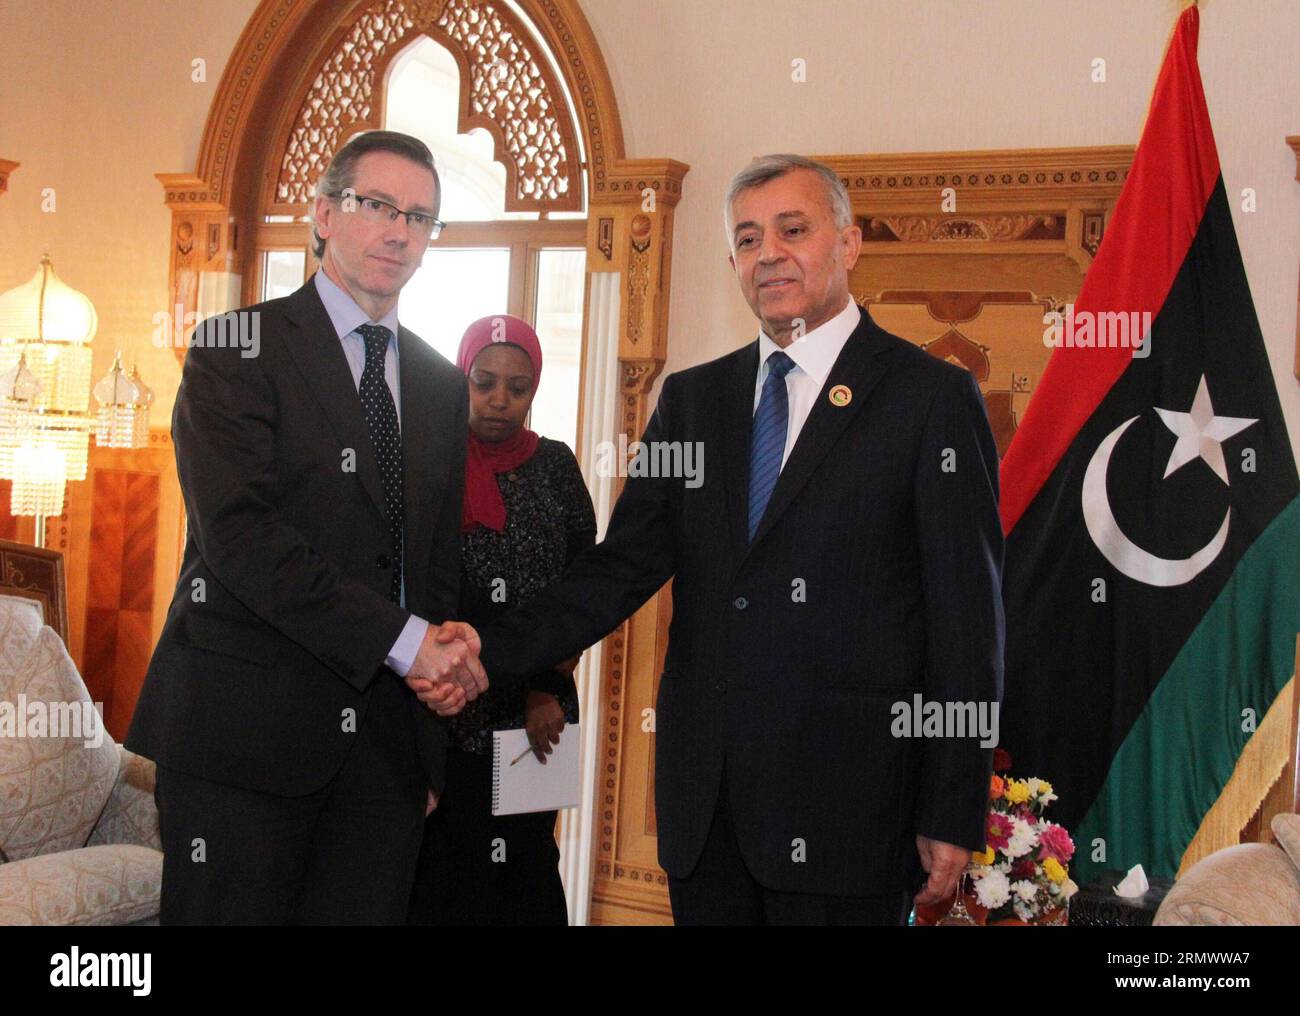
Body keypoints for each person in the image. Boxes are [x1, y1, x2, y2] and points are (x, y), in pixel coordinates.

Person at [413, 154, 1004, 926]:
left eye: (793, 230)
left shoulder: (929, 398)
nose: (770, 254)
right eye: (749, 239)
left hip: (851, 810)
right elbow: (617, 570)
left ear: (848, 243)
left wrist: (952, 805)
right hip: (707, 813)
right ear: (733, 262)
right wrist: (484, 653)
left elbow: (968, 620)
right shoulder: (693, 402)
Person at [126, 130, 485, 925]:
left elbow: (430, 563)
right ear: (324, 215)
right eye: (377, 205)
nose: (399, 231)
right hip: (242, 740)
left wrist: (440, 678)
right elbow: (242, 539)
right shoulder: (236, 349)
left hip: (385, 758)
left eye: (420, 217)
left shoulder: (439, 383)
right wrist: (407, 642)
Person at [408, 315, 596, 926]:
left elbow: (581, 593)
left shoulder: (557, 466)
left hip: (535, 710)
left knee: (524, 869)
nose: (498, 400)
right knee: (440, 866)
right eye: (483, 382)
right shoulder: (429, 463)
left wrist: (547, 686)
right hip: (441, 705)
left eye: (517, 388)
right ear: (462, 378)